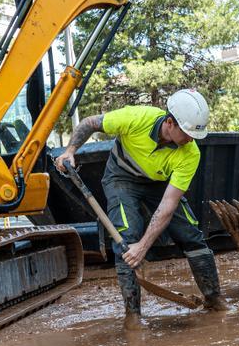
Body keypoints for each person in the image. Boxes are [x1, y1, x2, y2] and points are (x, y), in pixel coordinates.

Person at [54, 90, 223, 326]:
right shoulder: (136, 118)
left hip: (158, 184)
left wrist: (143, 247)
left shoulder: (190, 153)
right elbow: (90, 123)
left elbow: (168, 204)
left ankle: (215, 301)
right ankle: (133, 317)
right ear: (170, 122)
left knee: (191, 235)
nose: (191, 139)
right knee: (125, 239)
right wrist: (70, 151)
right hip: (122, 178)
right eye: (187, 133)